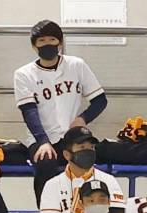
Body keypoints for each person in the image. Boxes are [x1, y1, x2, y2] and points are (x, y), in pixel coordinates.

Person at [15, 21, 106, 163]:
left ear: (60, 43)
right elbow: (29, 112)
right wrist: (43, 141)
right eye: (42, 41)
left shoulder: (76, 65)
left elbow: (100, 100)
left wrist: (83, 119)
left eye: (52, 39)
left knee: (85, 159)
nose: (47, 44)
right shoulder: (23, 74)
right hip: (40, 137)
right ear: (34, 46)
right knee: (46, 160)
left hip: (73, 135)